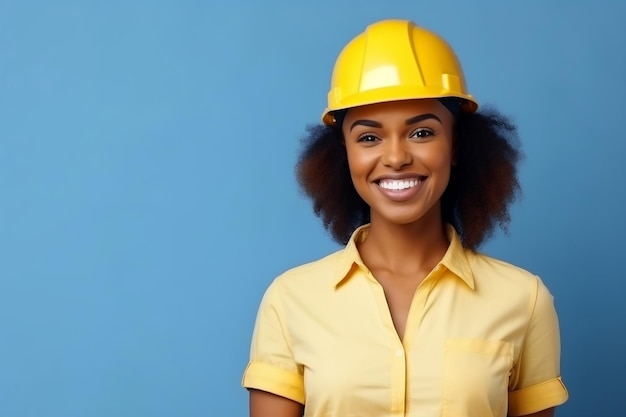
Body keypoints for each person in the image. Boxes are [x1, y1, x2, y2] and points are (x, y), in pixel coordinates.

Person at [242, 19, 568, 417]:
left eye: (422, 133)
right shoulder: (290, 301)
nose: (395, 158)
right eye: (368, 137)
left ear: (456, 145)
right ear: (343, 154)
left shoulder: (523, 300)